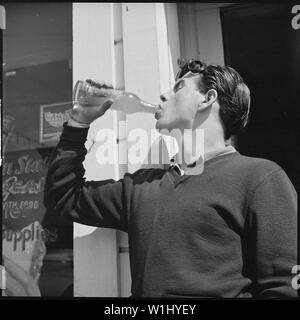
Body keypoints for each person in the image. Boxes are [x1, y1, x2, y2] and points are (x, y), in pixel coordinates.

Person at [44, 59, 297, 298]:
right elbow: (64, 197)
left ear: (207, 99)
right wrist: (78, 124)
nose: (163, 96)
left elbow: (285, 287)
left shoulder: (260, 178)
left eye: (178, 88)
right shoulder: (141, 186)